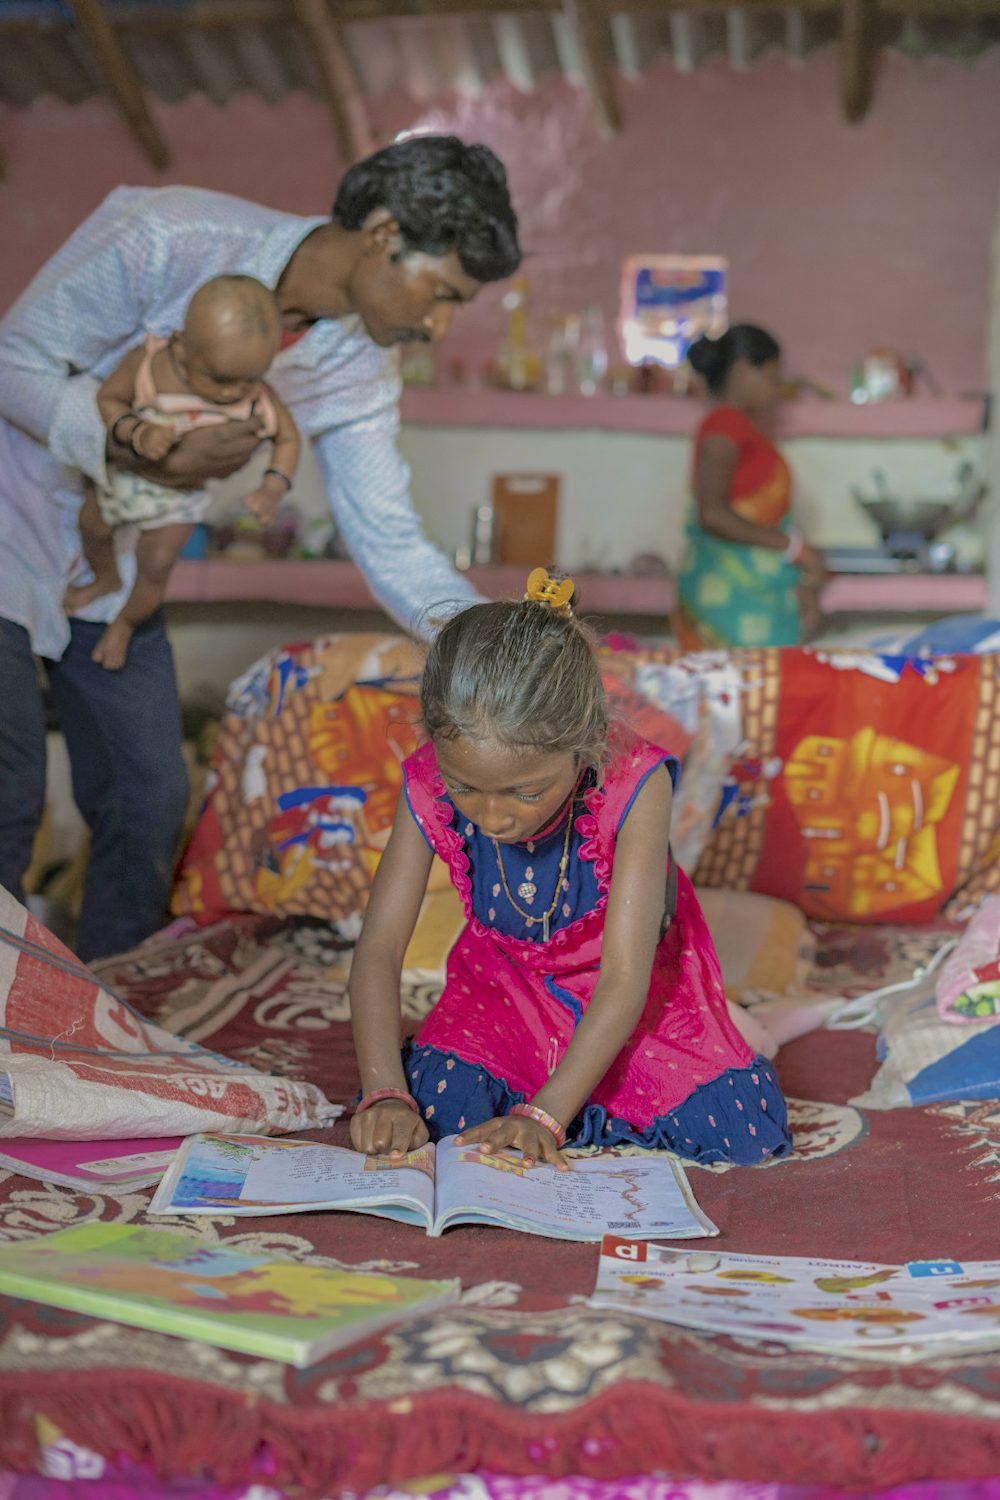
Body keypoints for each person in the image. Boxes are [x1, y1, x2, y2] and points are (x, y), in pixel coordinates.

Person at [0, 135, 521, 961]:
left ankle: (107, 1010)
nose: (439, 323)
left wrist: (501, 647)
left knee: (149, 792)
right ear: (384, 233)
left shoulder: (357, 361)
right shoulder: (168, 236)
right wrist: (140, 447)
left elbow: (388, 537)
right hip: (9, 533)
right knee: (9, 792)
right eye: (443, 292)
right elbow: (10, 359)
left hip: (116, 582)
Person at [349, 568, 792, 1169]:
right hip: (505, 985)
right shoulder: (427, 780)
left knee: (734, 1126)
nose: (492, 818)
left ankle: (737, 1025)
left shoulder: (636, 783)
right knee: (439, 1111)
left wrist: (545, 1114)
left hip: (625, 991)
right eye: (466, 789)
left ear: (583, 746)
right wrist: (383, 1091)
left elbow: (624, 977)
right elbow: (378, 948)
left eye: (524, 793)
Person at [71, 274, 301, 671]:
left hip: (178, 499)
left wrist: (272, 489)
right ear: (180, 345)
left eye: (250, 379)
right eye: (218, 378)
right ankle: (105, 577)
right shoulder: (149, 364)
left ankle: (126, 622)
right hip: (122, 477)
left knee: (157, 566)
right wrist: (135, 430)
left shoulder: (258, 397)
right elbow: (108, 398)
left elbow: (288, 439)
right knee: (92, 526)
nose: (233, 392)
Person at [674, 325, 825, 650]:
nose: (775, 391)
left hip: (753, 592)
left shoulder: (740, 428)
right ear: (743, 371)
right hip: (731, 597)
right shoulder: (724, 426)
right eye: (771, 377)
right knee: (740, 694)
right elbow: (712, 515)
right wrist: (794, 547)